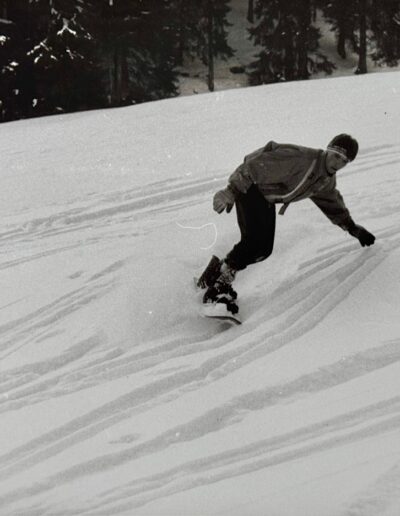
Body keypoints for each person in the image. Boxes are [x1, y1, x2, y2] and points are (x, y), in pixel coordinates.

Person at [197, 134, 376, 315]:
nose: (337, 163)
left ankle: (214, 274)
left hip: (264, 198)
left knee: (263, 250)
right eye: (336, 155)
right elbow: (253, 166)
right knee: (254, 242)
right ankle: (217, 290)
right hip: (250, 187)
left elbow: (332, 204)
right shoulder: (301, 158)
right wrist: (231, 190)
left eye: (344, 161)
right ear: (328, 149)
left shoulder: (326, 180)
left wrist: (352, 227)